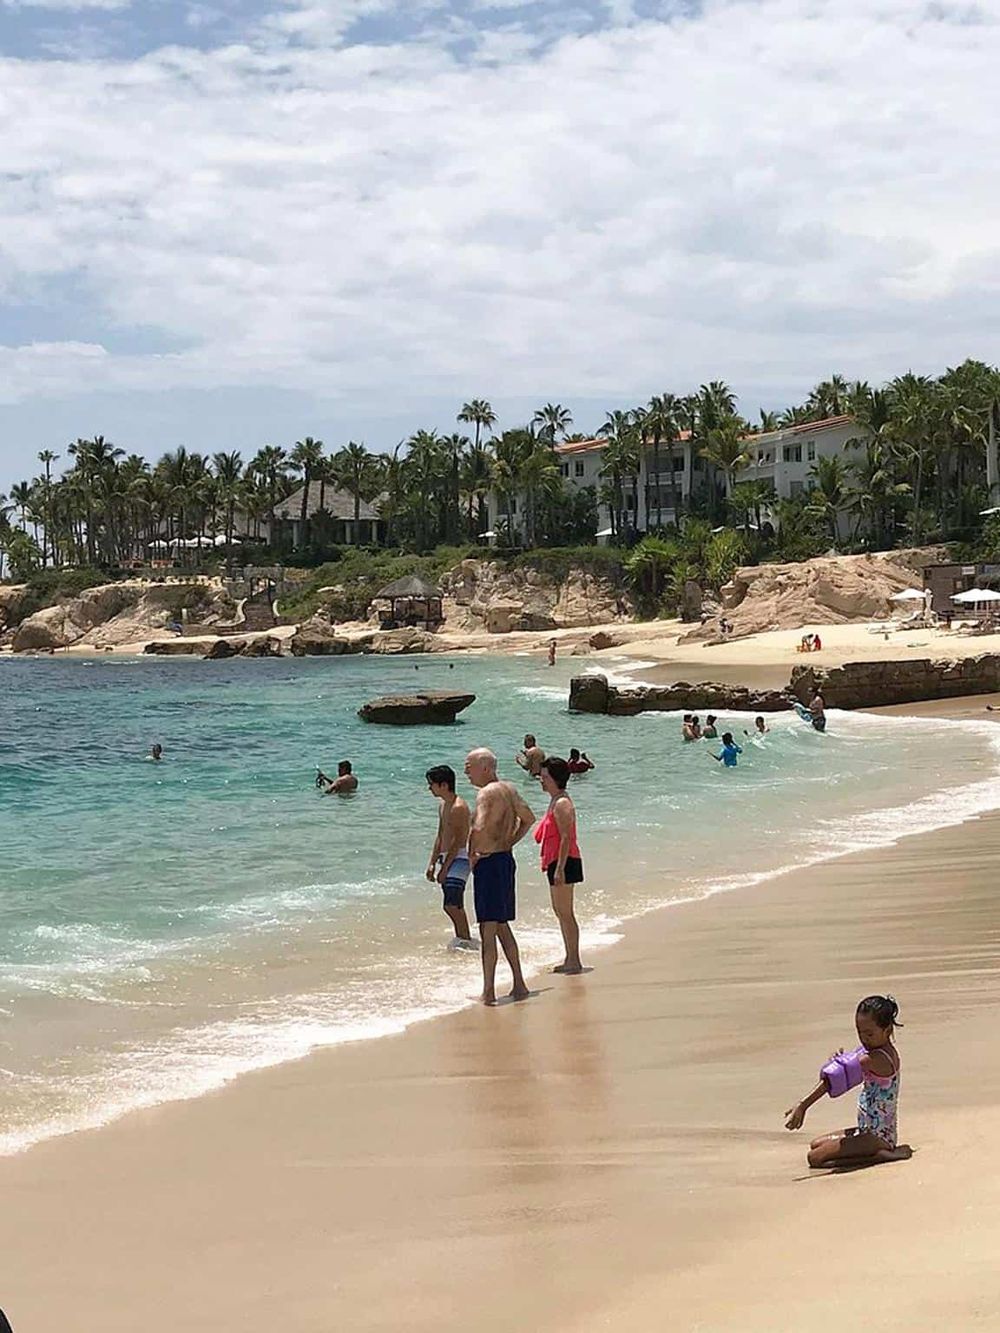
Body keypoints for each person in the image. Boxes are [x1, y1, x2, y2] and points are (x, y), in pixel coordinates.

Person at [785, 995, 909, 1168]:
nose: (864, 1038)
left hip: (877, 1137)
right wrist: (839, 1063)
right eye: (860, 1032)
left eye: (869, 1034)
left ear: (887, 1030)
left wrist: (803, 1105)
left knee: (814, 1158)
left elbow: (833, 1081)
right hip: (868, 1129)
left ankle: (880, 1156)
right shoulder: (874, 1050)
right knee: (816, 1144)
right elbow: (846, 1071)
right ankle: (874, 1151)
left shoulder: (875, 1058)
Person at [464, 747, 535, 1005]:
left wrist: (473, 854)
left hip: (490, 863)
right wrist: (509, 841)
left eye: (469, 765)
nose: (465, 771)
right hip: (505, 860)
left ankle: (489, 991)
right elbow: (528, 818)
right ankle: (519, 983)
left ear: (486, 768)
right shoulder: (509, 789)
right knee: (502, 925)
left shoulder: (486, 793)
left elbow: (480, 825)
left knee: (488, 929)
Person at [536, 756, 584, 974]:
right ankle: (569, 957)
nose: (541, 780)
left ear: (554, 778)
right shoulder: (555, 800)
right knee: (560, 911)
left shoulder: (562, 802)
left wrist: (560, 869)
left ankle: (574, 959)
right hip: (557, 861)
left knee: (565, 912)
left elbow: (566, 837)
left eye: (544, 776)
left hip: (565, 862)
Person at [425, 765, 474, 947]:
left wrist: (444, 869)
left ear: (443, 785)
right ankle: (463, 939)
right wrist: (432, 863)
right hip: (447, 857)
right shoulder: (443, 806)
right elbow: (440, 835)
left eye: (432, 784)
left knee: (451, 905)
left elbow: (459, 841)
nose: (429, 788)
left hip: (460, 858)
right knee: (453, 903)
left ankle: (465, 939)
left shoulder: (459, 807)